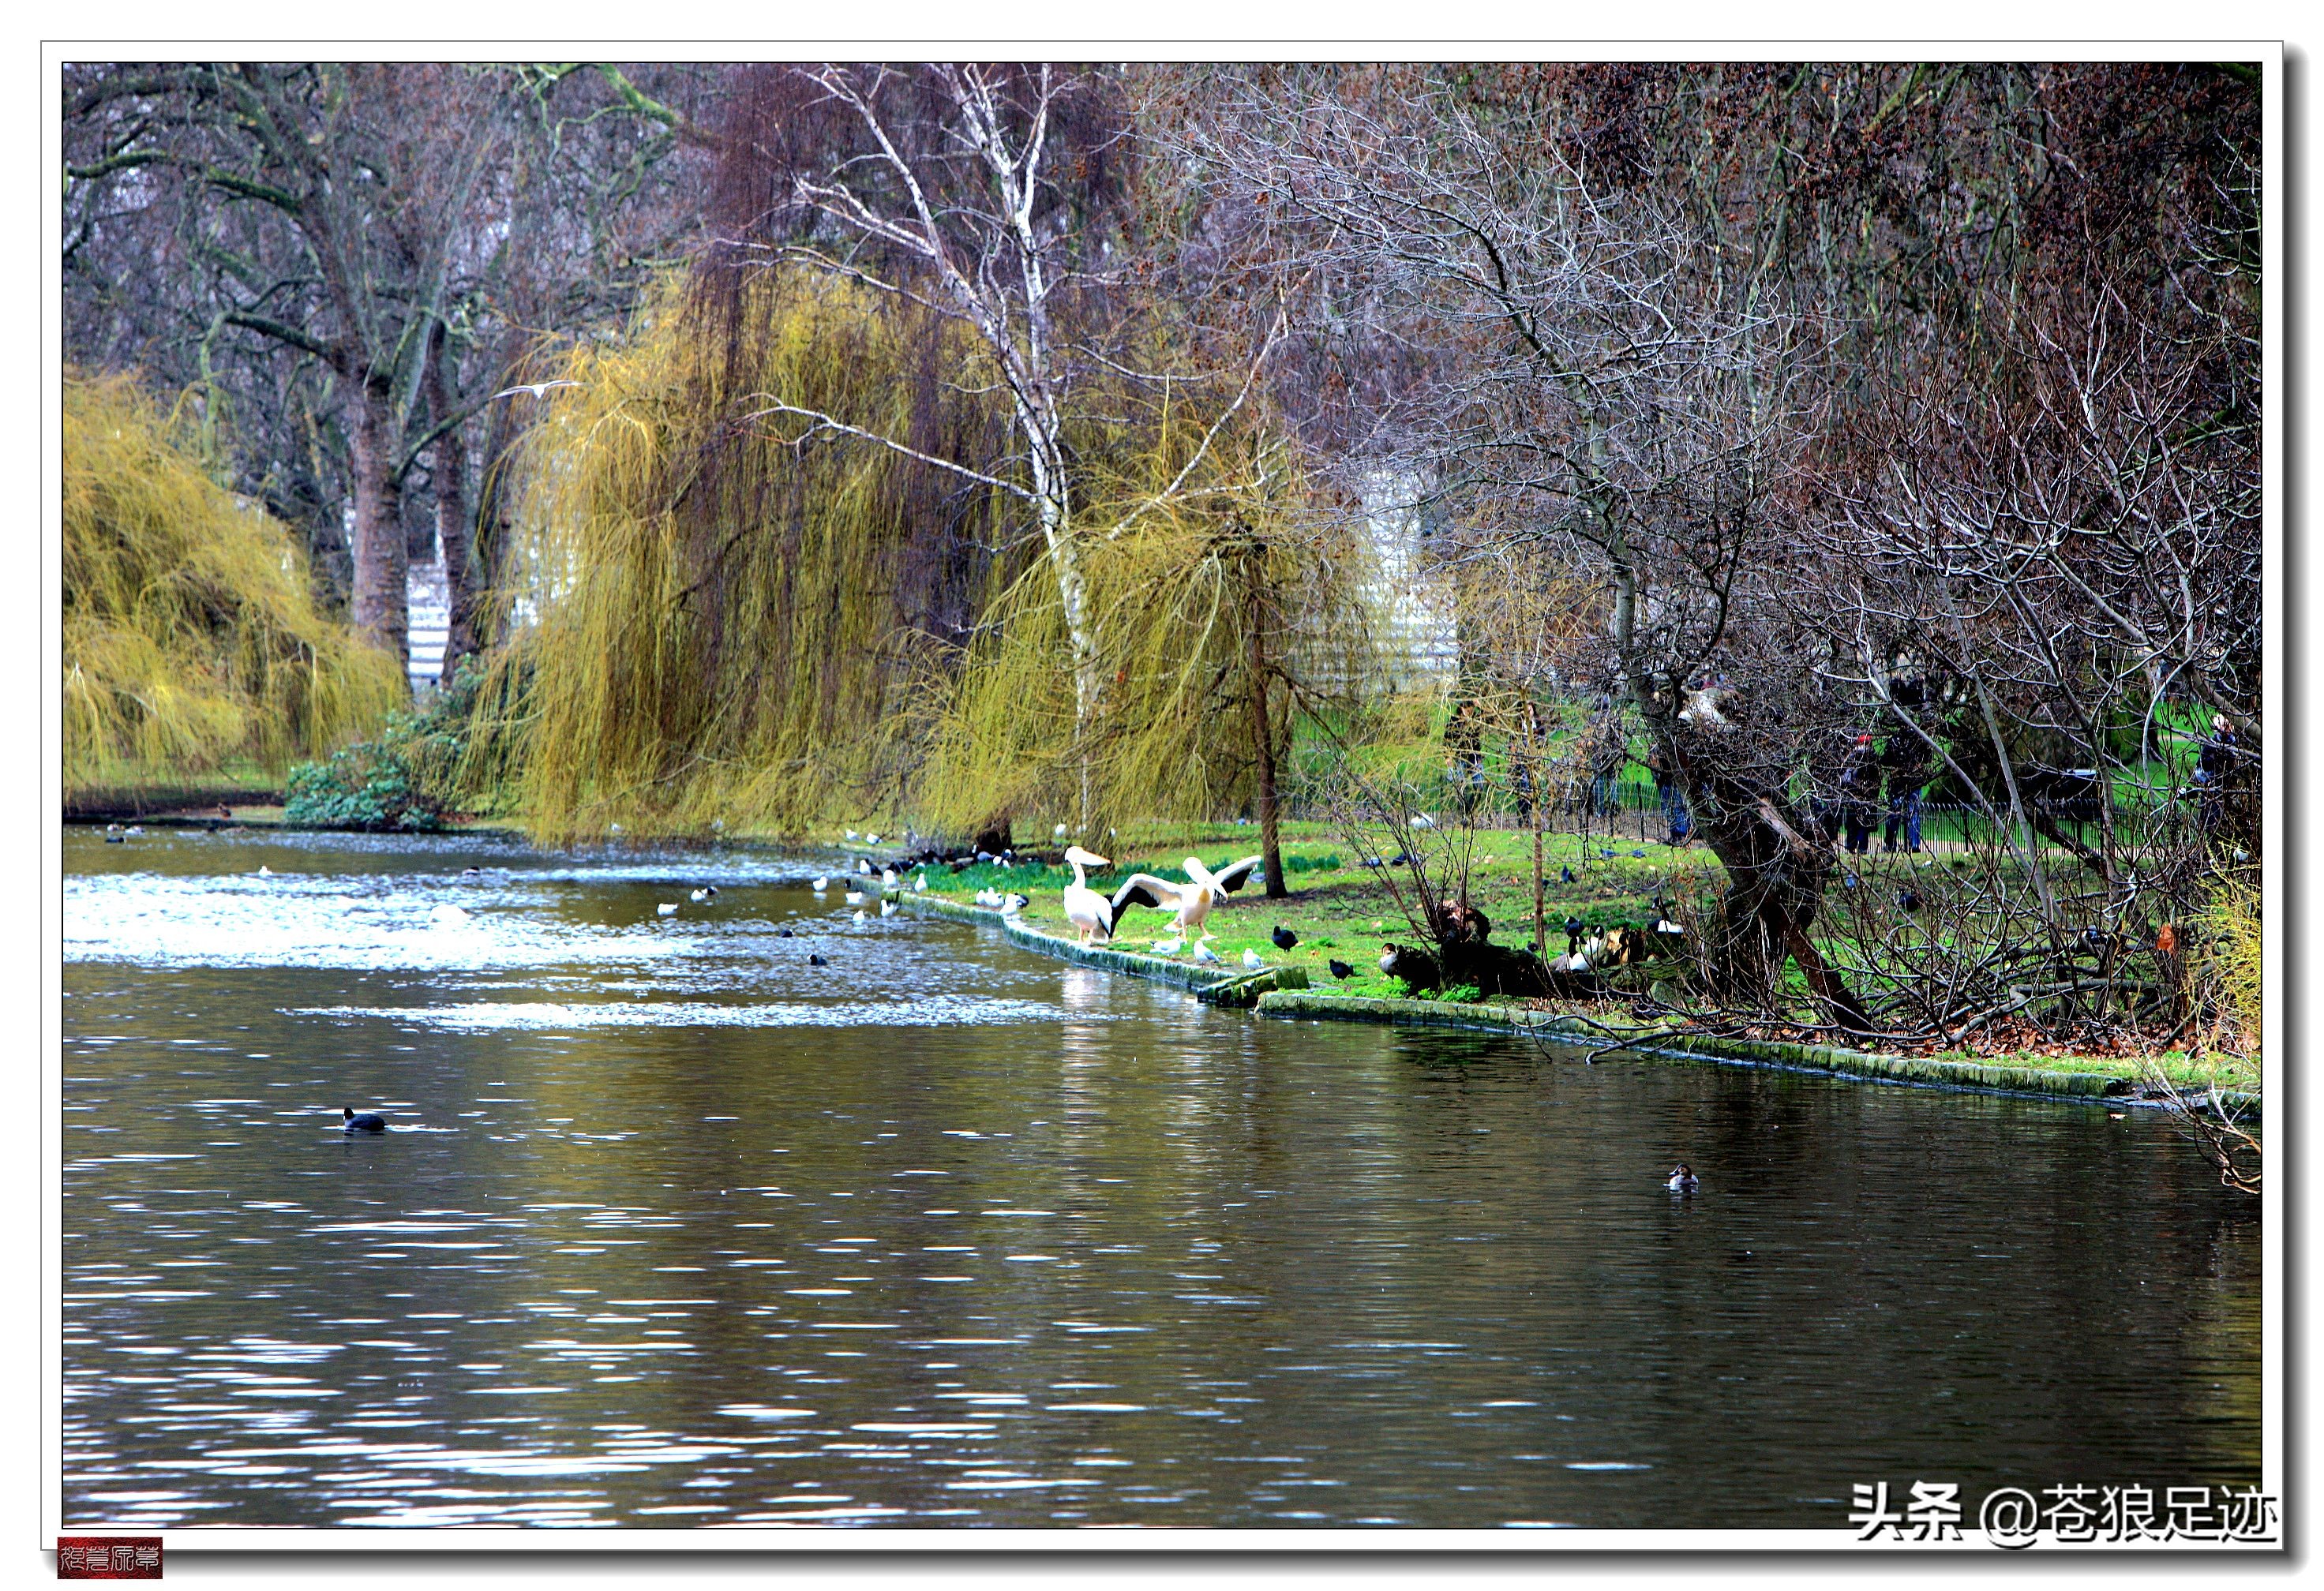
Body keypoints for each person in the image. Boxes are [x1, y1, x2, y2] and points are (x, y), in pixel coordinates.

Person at [1880, 731, 1926, 854]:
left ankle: (1891, 844)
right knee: (1913, 813)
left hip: (1899, 782)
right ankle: (1914, 844)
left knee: (1895, 812)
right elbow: (1928, 757)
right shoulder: (1918, 739)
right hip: (1914, 781)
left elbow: (1884, 760)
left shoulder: (1895, 741)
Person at [1839, 733, 1877, 855]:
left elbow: (1845, 776)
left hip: (1853, 793)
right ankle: (1862, 847)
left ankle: (1851, 845)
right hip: (1866, 794)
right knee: (1864, 822)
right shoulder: (1872, 756)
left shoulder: (1852, 756)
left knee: (1852, 821)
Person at [1647, 741, 1691, 845]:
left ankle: (1681, 835)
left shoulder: (1674, 745)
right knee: (1669, 809)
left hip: (1675, 782)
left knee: (1678, 808)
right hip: (1665, 782)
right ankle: (1674, 835)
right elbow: (1653, 764)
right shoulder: (1657, 748)